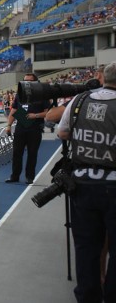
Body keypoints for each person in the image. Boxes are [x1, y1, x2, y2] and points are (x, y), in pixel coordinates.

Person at [58, 61, 116, 303]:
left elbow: (62, 132)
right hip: (113, 185)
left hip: (81, 184)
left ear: (103, 78)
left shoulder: (80, 100)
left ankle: (87, 297)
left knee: (85, 248)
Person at [5, 73, 51, 185]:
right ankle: (14, 176)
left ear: (35, 82)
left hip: (35, 128)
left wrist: (35, 115)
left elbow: (49, 113)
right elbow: (14, 110)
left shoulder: (42, 95)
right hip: (21, 127)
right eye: (25, 81)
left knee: (32, 153)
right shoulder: (20, 94)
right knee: (16, 153)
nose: (27, 83)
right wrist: (9, 125)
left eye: (30, 81)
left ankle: (29, 177)